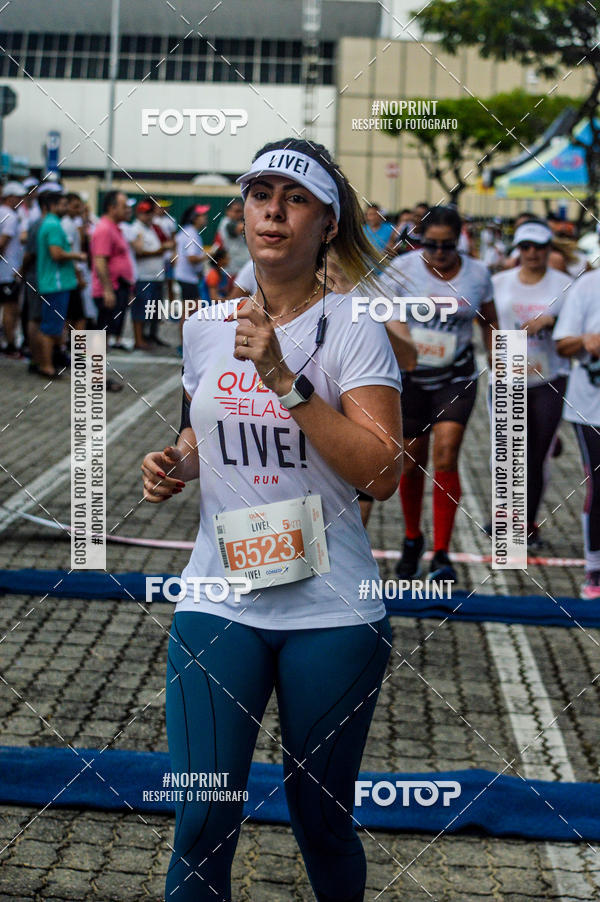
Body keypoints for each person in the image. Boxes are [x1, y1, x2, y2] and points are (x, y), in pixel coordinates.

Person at [142, 136, 403, 902]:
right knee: (199, 822)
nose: (274, 212)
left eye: (295, 200)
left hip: (332, 611)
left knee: (319, 821)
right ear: (244, 213)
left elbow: (384, 472)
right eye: (261, 196)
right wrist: (178, 462)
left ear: (327, 223)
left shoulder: (354, 325)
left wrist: (285, 379)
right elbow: (205, 432)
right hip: (217, 600)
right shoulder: (204, 327)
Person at [383, 204, 497, 582]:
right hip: (411, 376)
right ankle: (413, 538)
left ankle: (443, 553)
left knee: (446, 456)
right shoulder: (402, 270)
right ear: (420, 241)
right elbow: (376, 312)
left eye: (448, 245)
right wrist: (400, 339)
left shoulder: (478, 274)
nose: (440, 253)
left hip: (456, 375)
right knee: (413, 461)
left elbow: (490, 320)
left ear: (459, 240)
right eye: (431, 245)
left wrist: (501, 363)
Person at [493, 220, 572, 547]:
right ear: (518, 250)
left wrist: (551, 320)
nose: (532, 254)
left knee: (534, 456)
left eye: (539, 247)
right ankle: (506, 518)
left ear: (548, 249)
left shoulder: (566, 284)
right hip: (508, 375)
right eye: (526, 247)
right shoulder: (498, 282)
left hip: (549, 377)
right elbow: (485, 319)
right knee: (511, 454)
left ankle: (526, 523)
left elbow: (576, 323)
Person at [554, 269, 600, 598]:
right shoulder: (588, 285)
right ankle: (594, 568)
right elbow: (562, 344)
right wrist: (587, 341)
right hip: (592, 409)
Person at [36, 185, 86, 378]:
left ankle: (48, 362)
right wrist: (77, 256)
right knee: (51, 327)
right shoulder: (54, 225)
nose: (66, 207)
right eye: (63, 204)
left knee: (54, 326)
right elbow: (56, 253)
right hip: (55, 283)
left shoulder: (50, 223)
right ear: (53, 205)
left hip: (55, 282)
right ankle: (46, 366)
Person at [91, 190, 134, 349]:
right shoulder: (104, 229)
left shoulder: (115, 228)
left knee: (106, 334)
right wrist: (107, 290)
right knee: (98, 333)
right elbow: (100, 261)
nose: (127, 210)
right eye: (124, 206)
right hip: (108, 289)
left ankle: (96, 372)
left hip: (118, 287)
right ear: (112, 208)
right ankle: (88, 373)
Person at [130, 198, 173, 349]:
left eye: (150, 213)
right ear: (139, 214)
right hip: (143, 276)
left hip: (157, 275)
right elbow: (138, 253)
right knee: (141, 309)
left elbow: (168, 243)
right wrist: (158, 251)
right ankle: (139, 339)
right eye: (145, 213)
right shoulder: (135, 229)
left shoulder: (153, 228)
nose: (148, 216)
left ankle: (151, 336)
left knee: (154, 309)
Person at [0, 181, 26, 357]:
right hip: (8, 271)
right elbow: (3, 243)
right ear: (10, 197)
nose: (21, 200)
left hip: (5, 270)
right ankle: (10, 345)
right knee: (11, 309)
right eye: (18, 197)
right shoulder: (10, 215)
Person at [174, 203, 209, 311]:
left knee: (188, 310)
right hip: (188, 278)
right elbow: (192, 258)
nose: (206, 217)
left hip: (185, 276)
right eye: (203, 215)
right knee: (191, 311)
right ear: (195, 218)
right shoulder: (192, 234)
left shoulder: (186, 231)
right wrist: (209, 255)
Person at [216, 197, 249, 283]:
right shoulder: (227, 223)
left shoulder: (238, 221)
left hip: (240, 268)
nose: (239, 214)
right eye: (236, 211)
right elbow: (240, 228)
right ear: (228, 211)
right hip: (233, 271)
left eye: (241, 211)